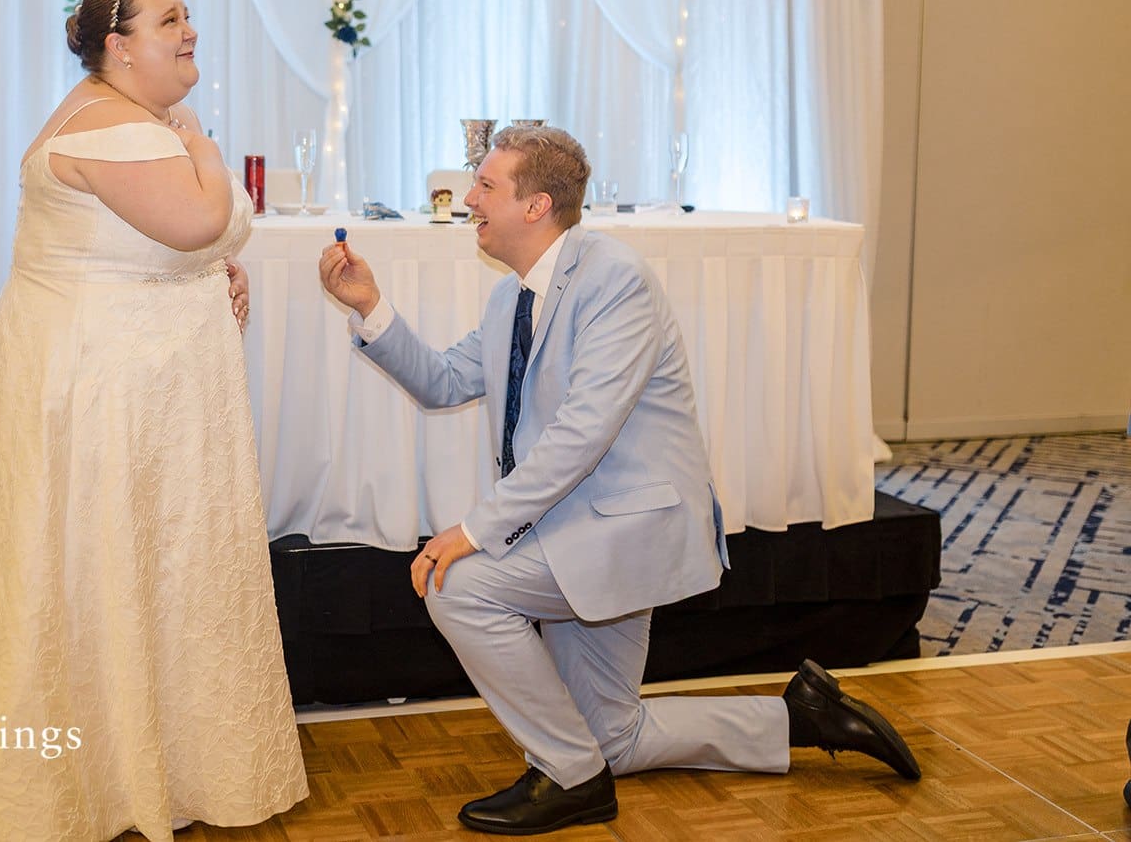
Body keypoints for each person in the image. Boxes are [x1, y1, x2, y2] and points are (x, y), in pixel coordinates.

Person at [318, 126, 920, 835]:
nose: (469, 197)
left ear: (537, 204)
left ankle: (570, 779)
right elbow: (446, 381)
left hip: (625, 532)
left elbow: (583, 430)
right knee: (613, 737)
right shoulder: (510, 299)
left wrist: (473, 530)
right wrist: (369, 307)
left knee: (460, 584)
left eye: (485, 185)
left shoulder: (614, 278)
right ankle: (794, 716)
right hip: (571, 532)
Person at [0, 0, 307, 841]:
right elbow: (196, 221)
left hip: (113, 377)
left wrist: (207, 268)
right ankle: (76, 770)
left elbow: (159, 244)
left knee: (118, 567)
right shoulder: (115, 124)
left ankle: (134, 756)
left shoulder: (125, 120)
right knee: (94, 565)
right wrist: (204, 148)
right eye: (169, 20)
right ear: (119, 44)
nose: (189, 31)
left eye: (188, 16)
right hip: (94, 386)